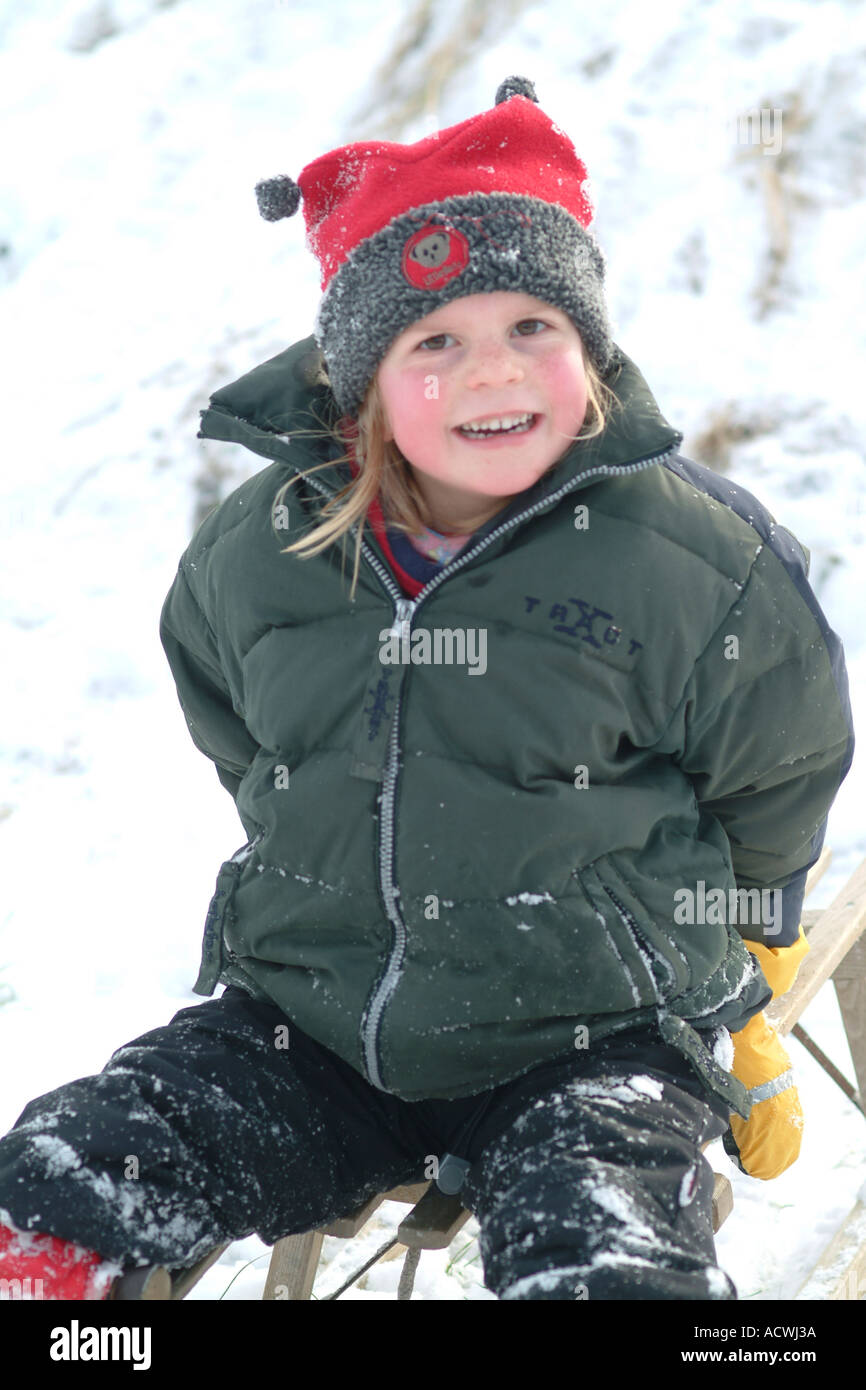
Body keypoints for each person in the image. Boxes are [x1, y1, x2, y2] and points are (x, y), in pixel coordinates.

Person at [0, 75, 854, 1302]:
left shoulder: (688, 559)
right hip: (309, 1025)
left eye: (530, 330)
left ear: (589, 347)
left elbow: (774, 761)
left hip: (586, 1032)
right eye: (433, 342)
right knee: (58, 1180)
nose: (488, 375)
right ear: (361, 380)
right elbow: (238, 727)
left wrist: (738, 953)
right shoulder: (265, 555)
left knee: (604, 1252)